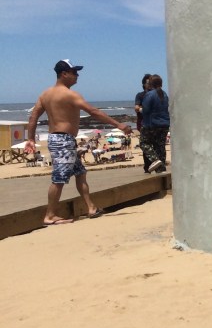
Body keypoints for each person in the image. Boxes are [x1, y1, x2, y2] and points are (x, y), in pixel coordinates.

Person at [25, 59, 133, 225]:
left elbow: (33, 117)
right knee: (59, 178)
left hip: (60, 139)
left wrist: (31, 139)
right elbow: (93, 112)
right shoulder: (71, 95)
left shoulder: (45, 94)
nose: (77, 75)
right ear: (64, 74)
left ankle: (91, 207)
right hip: (62, 140)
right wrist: (118, 125)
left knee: (80, 172)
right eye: (74, 72)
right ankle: (50, 215)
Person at [140, 73, 170, 173]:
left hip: (151, 124)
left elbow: (146, 110)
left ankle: (155, 159)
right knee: (160, 147)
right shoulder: (164, 94)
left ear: (150, 84)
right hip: (164, 124)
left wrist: (140, 110)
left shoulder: (150, 94)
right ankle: (162, 169)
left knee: (143, 143)